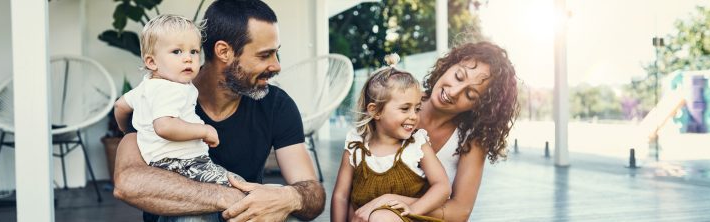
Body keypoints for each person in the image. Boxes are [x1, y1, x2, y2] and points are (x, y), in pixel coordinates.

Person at [111, 1, 325, 221]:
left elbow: (313, 194)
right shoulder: (159, 95)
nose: (277, 66)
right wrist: (231, 198)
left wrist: (289, 197)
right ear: (224, 51)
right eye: (264, 55)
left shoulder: (276, 105)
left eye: (276, 54)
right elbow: (129, 183)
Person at [352, 41, 519, 221]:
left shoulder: (472, 139)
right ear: (449, 65)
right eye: (458, 76)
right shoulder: (395, 101)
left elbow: (460, 211)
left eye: (470, 95)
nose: (454, 92)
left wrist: (393, 202)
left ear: (480, 106)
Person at [113, 14, 241, 221]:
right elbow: (164, 126)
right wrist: (205, 130)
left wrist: (127, 131)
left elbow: (120, 106)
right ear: (151, 61)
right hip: (186, 163)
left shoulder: (146, 86)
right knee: (240, 192)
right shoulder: (172, 89)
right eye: (177, 51)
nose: (188, 58)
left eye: (193, 51)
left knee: (178, 208)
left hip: (159, 166)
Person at [331, 54, 451, 222]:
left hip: (407, 219)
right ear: (376, 111)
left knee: (381, 218)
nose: (414, 116)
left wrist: (412, 209)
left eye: (417, 109)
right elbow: (340, 195)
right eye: (405, 109)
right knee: (352, 209)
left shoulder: (417, 144)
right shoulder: (356, 145)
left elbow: (443, 187)